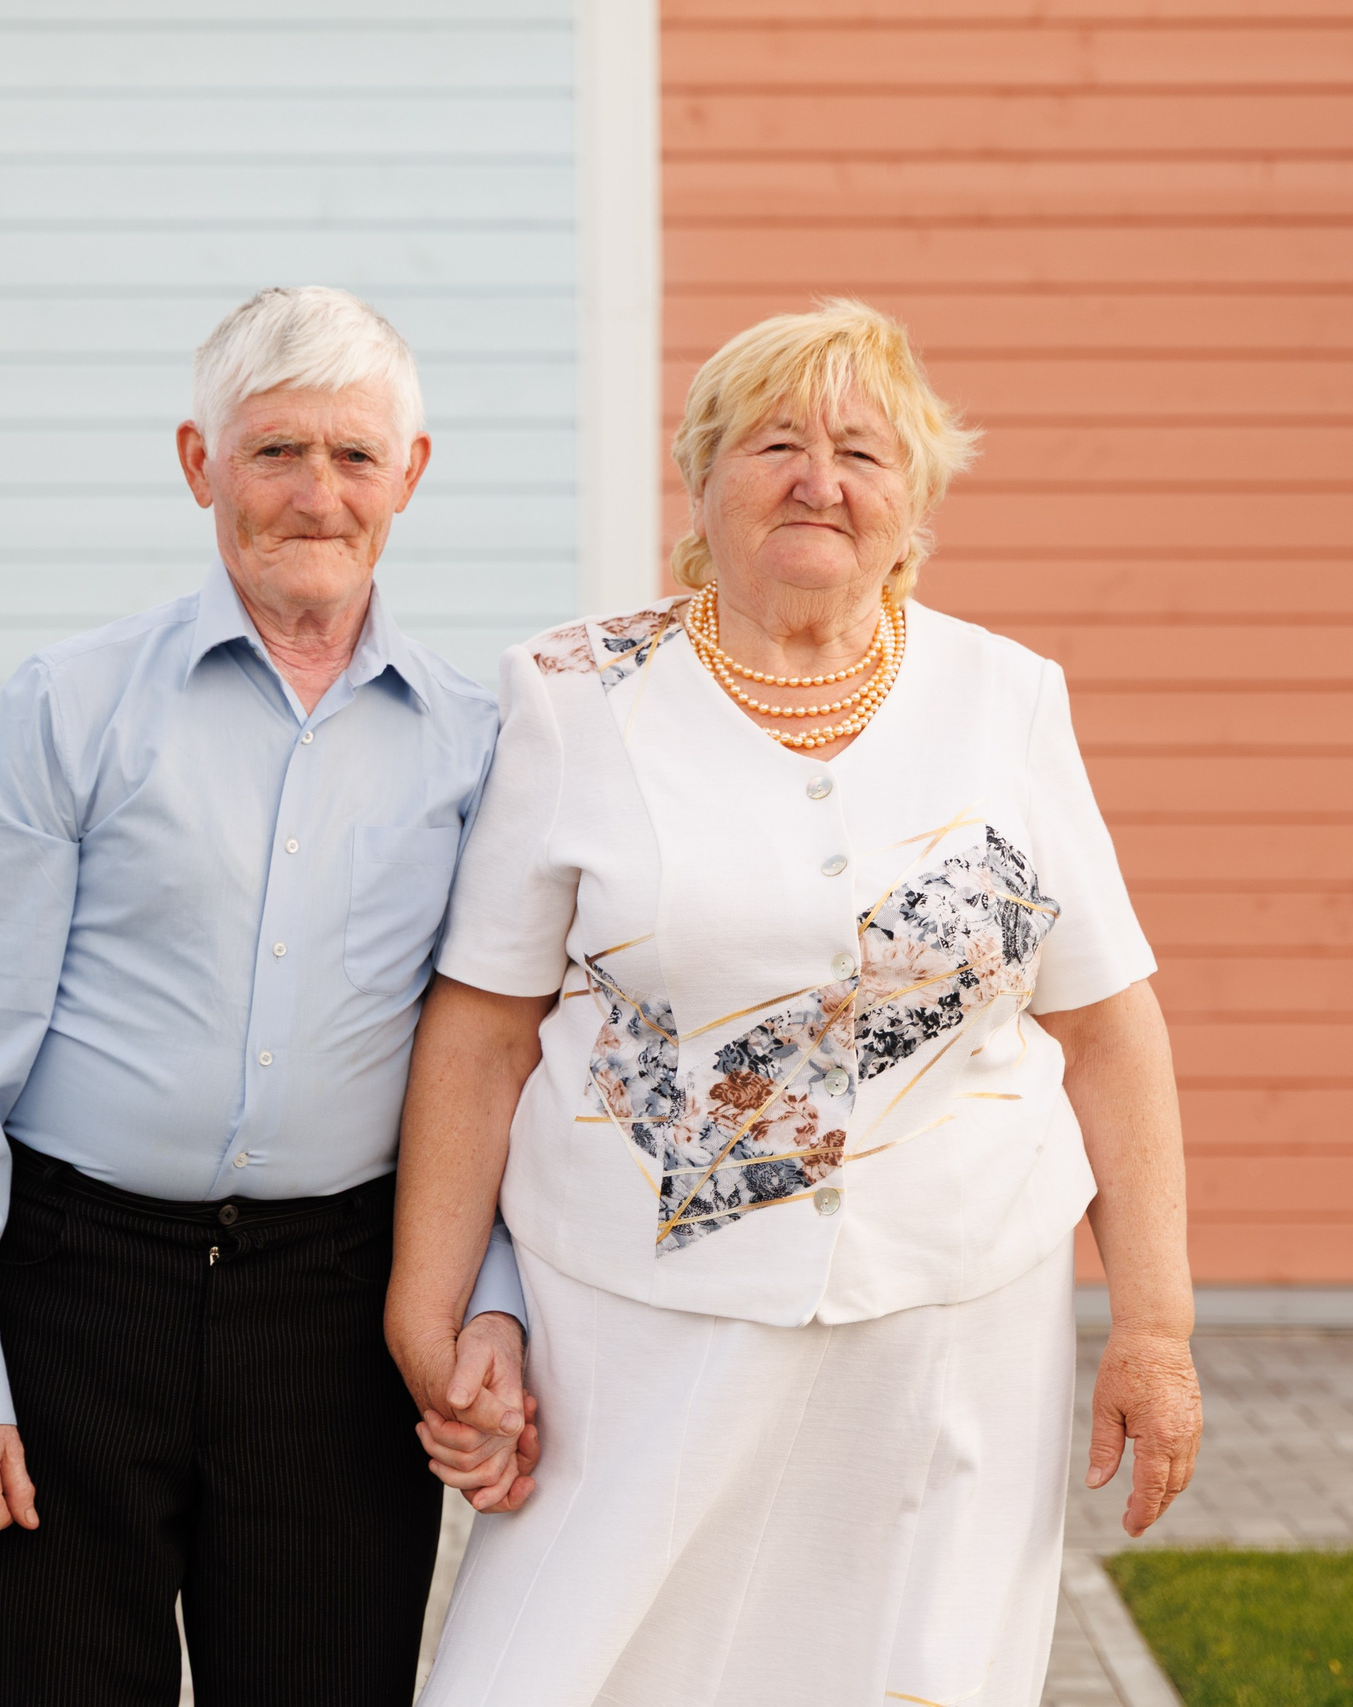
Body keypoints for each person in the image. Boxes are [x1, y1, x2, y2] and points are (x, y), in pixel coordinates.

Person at [388, 299, 1204, 1707]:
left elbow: (1108, 1022)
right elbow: (481, 1029)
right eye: (775, 442)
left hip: (954, 1328)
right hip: (635, 1326)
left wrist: (1156, 1329)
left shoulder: (1005, 699)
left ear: (916, 501)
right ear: (700, 478)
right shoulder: (574, 692)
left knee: (914, 1681)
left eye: (862, 453)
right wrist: (431, 1310)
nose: (818, 480)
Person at [0, 286, 537, 1707]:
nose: (316, 494)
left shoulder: (482, 747)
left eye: (355, 457)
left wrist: (495, 1308)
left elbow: (495, 1069)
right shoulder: (68, 708)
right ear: (199, 463)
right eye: (275, 450)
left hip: (336, 1318)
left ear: (410, 477)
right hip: (72, 1300)